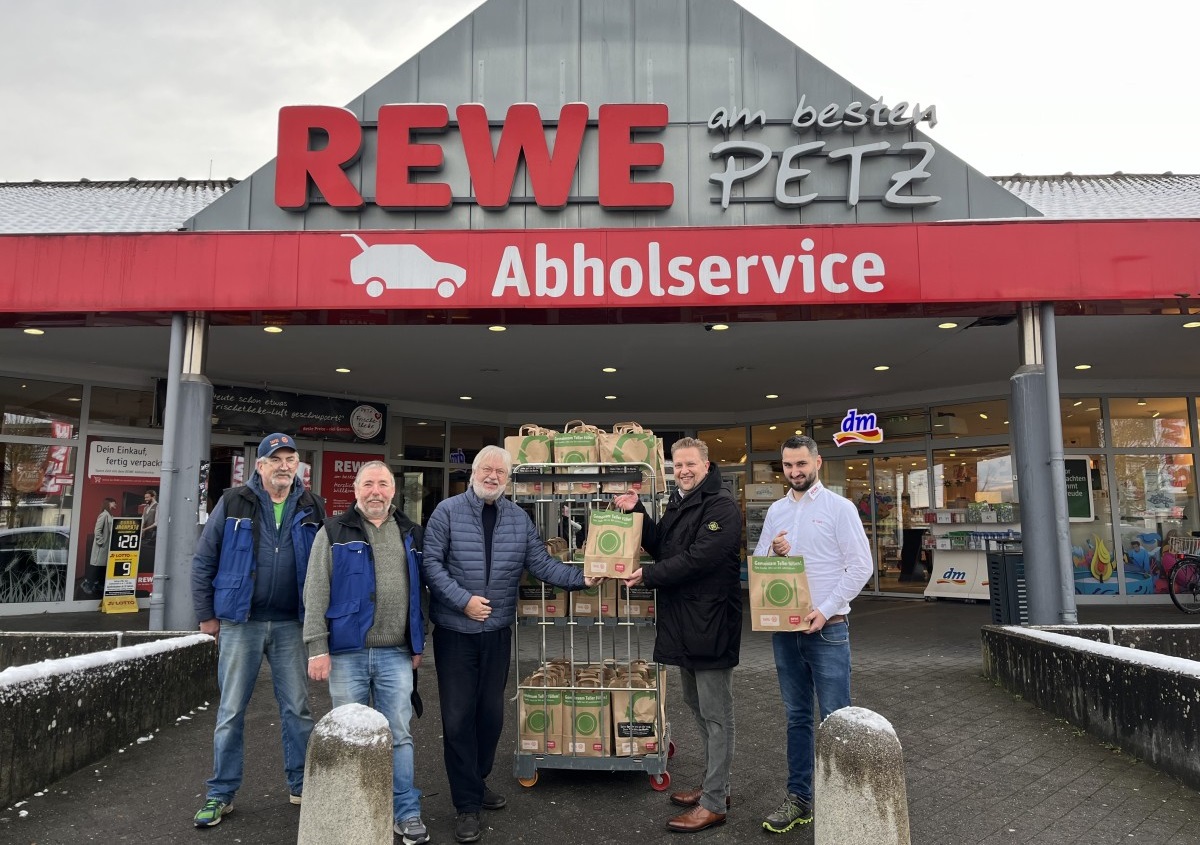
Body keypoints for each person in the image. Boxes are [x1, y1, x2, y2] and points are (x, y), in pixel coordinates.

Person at [421, 445, 595, 844]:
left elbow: (541, 564)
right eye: (487, 469)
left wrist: (583, 578)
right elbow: (431, 564)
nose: (493, 476)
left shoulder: (518, 519)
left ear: (508, 479)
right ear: (473, 473)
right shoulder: (446, 513)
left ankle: (477, 781)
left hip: (498, 631)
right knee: (458, 718)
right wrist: (462, 600)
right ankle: (466, 805)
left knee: (490, 716)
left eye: (501, 471)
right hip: (455, 633)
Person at [190, 433, 326, 828]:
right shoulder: (233, 502)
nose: (285, 466)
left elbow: (323, 568)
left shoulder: (311, 505)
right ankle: (220, 793)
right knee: (231, 711)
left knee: (298, 710)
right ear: (260, 465)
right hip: (239, 622)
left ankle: (302, 785)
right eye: (276, 459)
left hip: (290, 624)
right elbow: (204, 561)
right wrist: (206, 615)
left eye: (291, 459)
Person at [613, 436, 742, 834]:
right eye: (677, 465)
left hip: (711, 623)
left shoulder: (721, 505)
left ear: (706, 465)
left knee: (716, 714)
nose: (683, 471)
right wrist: (641, 515)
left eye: (690, 464)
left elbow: (699, 558)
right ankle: (713, 786)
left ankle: (714, 803)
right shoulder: (680, 501)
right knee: (696, 704)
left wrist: (649, 576)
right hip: (686, 622)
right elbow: (664, 546)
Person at [304, 461, 429, 845]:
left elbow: (421, 592)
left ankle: (405, 811)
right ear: (356, 490)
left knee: (400, 734)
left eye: (384, 484)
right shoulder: (333, 530)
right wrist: (316, 648)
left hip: (395, 653)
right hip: (346, 653)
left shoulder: (410, 532)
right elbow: (315, 591)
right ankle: (352, 807)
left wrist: (417, 642)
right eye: (369, 484)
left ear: (394, 490)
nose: (376, 491)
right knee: (349, 735)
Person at [752, 435, 872, 834]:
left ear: (817, 461)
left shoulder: (840, 508)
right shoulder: (776, 510)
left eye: (801, 464)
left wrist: (825, 610)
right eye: (788, 466)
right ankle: (799, 799)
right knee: (796, 718)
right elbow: (759, 566)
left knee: (837, 720)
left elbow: (860, 567)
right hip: (785, 632)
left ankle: (848, 802)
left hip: (828, 631)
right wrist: (773, 550)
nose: (795, 472)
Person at [79, 497, 117, 597]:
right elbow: (97, 530)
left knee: (102, 566)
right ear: (109, 503)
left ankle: (97, 584)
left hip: (106, 546)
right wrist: (101, 543)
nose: (115, 504)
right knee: (96, 565)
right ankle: (88, 585)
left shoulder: (109, 514)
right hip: (102, 546)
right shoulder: (104, 514)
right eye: (114, 503)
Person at [138, 487, 158, 589]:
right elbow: (142, 519)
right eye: (145, 497)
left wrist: (145, 529)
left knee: (150, 556)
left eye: (147, 497)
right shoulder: (145, 508)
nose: (145, 499)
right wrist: (141, 529)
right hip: (144, 535)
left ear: (153, 497)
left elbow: (156, 523)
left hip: (152, 535)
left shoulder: (157, 506)